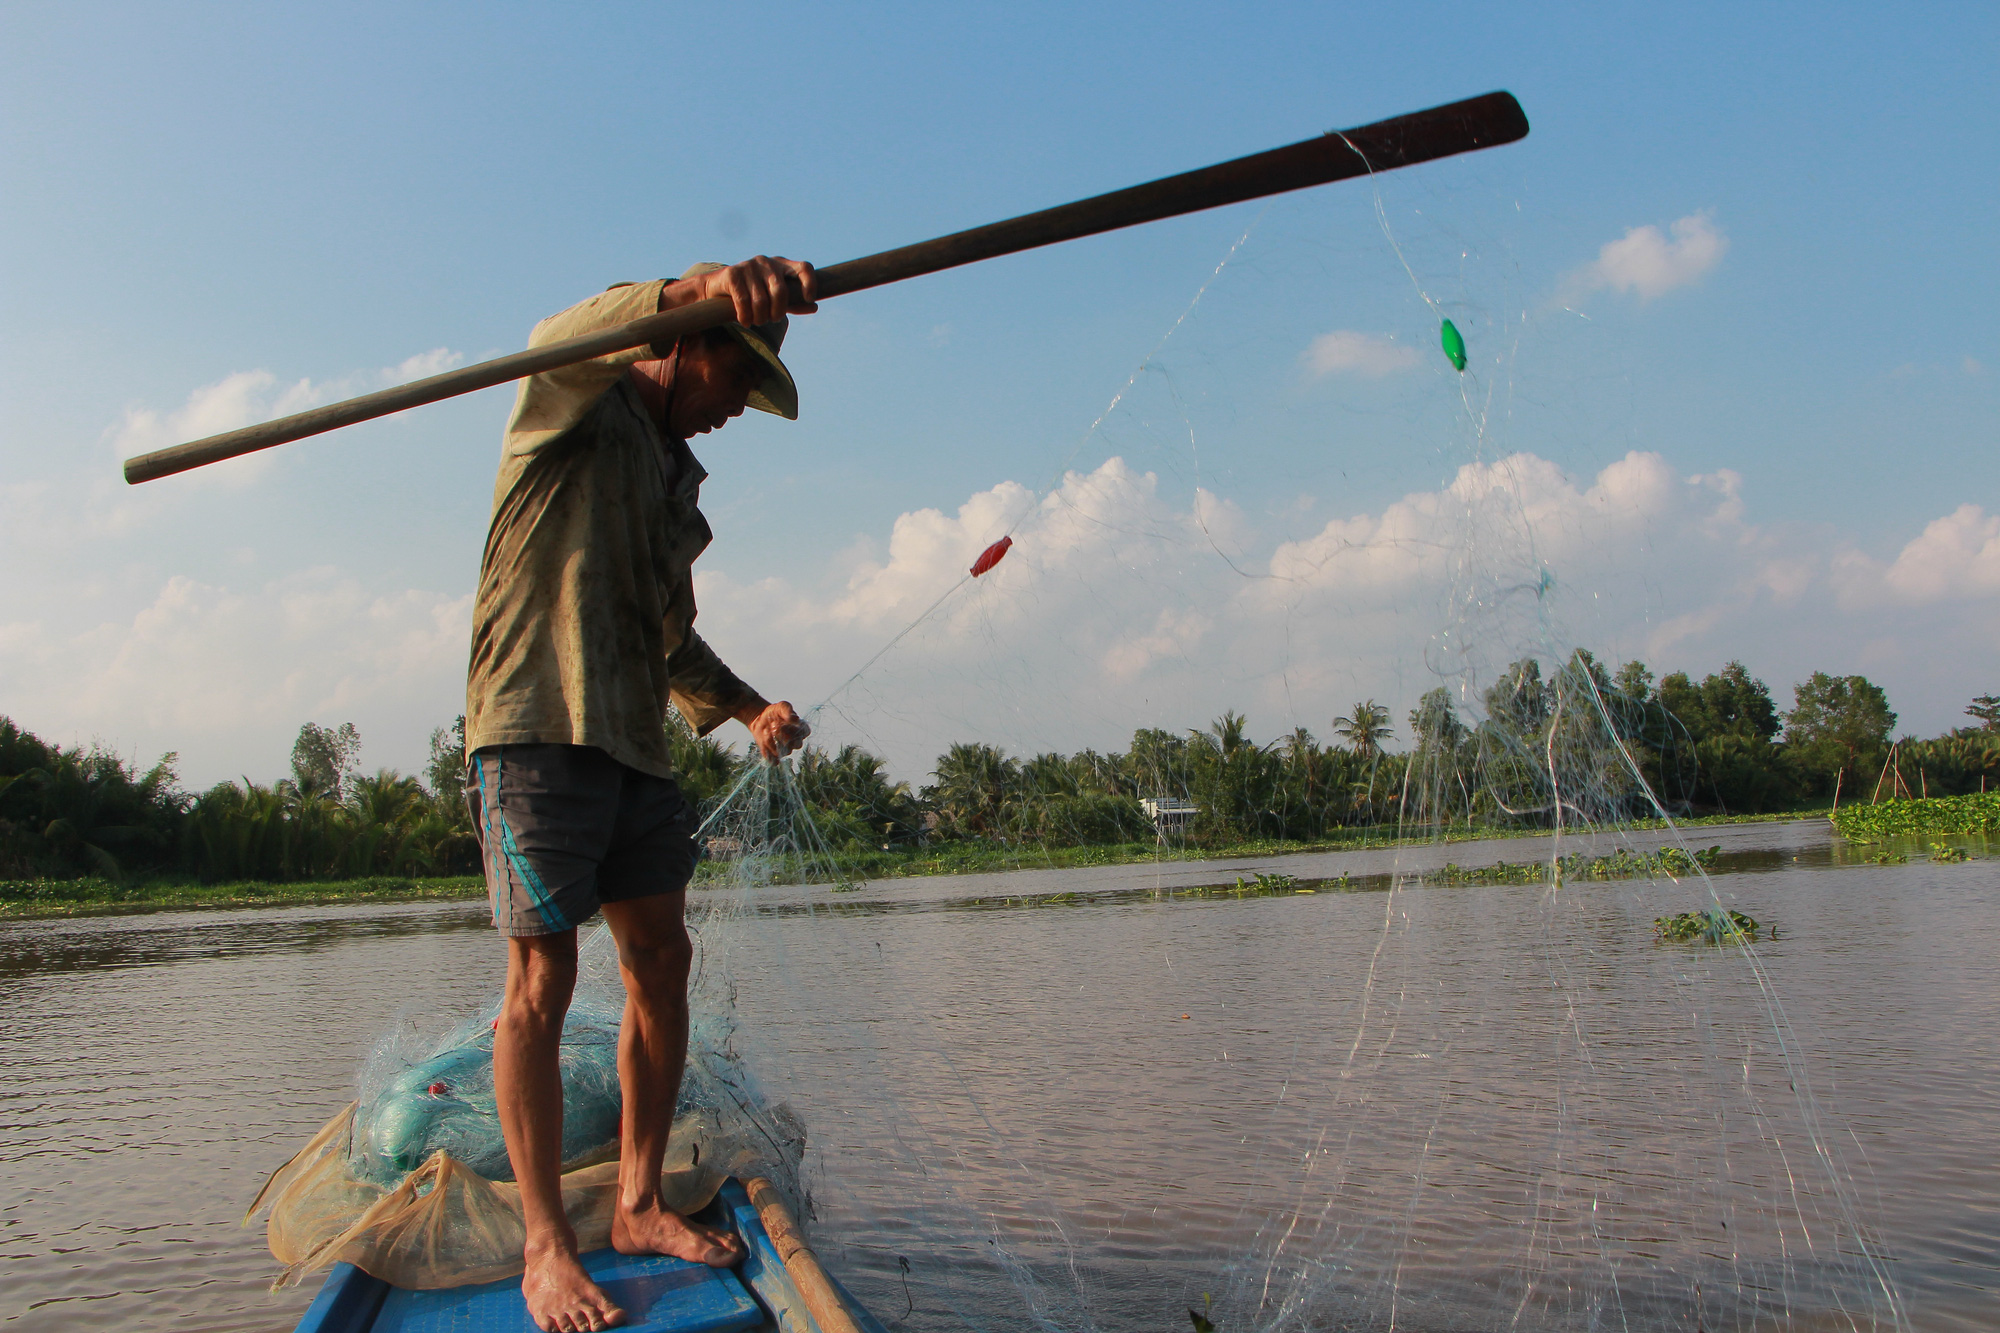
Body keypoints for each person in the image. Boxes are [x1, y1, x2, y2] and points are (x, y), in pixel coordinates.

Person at [462, 256, 819, 1332]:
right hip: (534, 724)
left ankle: (634, 1203)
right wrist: (694, 283)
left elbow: (670, 637)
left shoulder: (674, 484)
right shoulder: (573, 398)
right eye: (730, 388)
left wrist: (751, 706)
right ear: (693, 347)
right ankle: (543, 1247)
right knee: (544, 972)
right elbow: (553, 330)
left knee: (663, 961)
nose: (730, 416)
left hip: (631, 741)